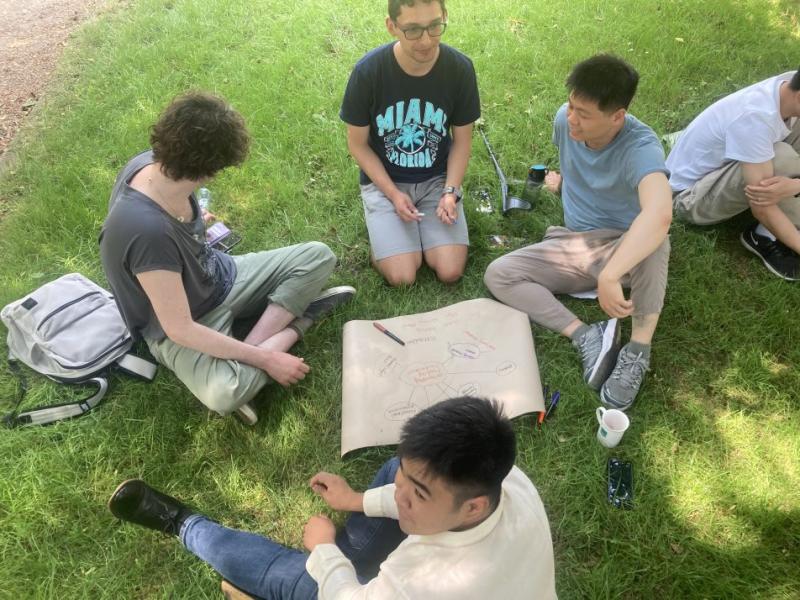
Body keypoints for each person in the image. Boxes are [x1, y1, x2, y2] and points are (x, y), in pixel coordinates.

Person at [108, 396, 557, 599]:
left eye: (418, 494)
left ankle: (180, 523)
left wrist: (324, 550)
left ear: (473, 506)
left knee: (294, 577)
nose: (401, 494)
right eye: (406, 474)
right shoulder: (509, 479)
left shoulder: (420, 580)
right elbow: (407, 487)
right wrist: (354, 500)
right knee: (387, 486)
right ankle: (354, 552)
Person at [99, 92, 354, 426]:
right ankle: (298, 323)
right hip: (181, 324)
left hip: (221, 275)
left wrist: (195, 215)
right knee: (225, 393)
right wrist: (267, 359)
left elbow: (176, 221)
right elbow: (180, 329)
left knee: (318, 257)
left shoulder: (154, 165)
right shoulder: (146, 232)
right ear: (208, 169)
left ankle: (242, 350)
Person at [484, 55, 672, 411]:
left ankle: (637, 351)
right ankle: (586, 336)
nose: (572, 118)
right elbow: (585, 170)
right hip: (572, 245)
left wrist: (612, 273)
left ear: (617, 116)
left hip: (622, 243)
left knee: (656, 241)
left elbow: (660, 214)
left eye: (584, 114)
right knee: (500, 274)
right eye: (571, 106)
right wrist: (563, 184)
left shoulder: (641, 146)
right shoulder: (563, 121)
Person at [340, 0, 481, 286]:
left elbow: (462, 141)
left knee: (450, 271)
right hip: (385, 181)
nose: (426, 40)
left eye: (434, 26)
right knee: (403, 276)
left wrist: (450, 192)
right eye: (413, 30)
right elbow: (358, 144)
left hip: (436, 180)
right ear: (392, 27)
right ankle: (385, 232)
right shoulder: (368, 73)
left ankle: (405, 235)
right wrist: (392, 193)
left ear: (444, 17)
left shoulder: (460, 69)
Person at [666, 69, 800, 280]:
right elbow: (763, 207)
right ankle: (763, 236)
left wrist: (795, 186)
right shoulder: (756, 118)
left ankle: (787, 195)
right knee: (780, 157)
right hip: (689, 198)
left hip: (726, 164)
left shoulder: (789, 85)